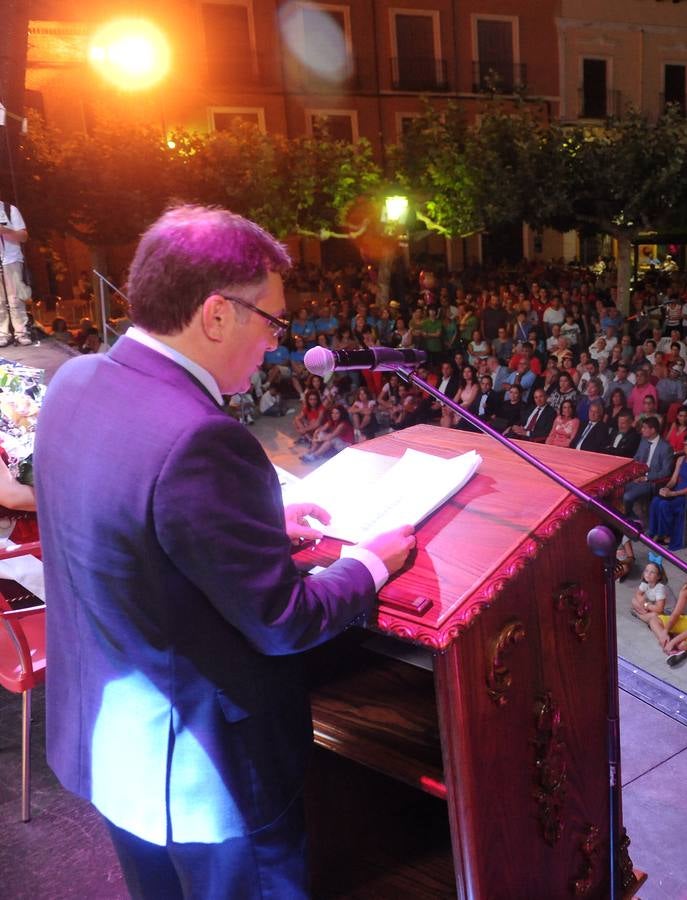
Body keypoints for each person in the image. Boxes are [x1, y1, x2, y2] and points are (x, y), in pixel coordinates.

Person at [34, 206, 417, 896]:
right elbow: (283, 621)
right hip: (207, 774)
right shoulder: (199, 438)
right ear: (216, 315)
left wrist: (254, 520)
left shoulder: (76, 381)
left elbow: (126, 523)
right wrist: (366, 564)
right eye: (272, 320)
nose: (275, 343)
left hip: (113, 749)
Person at [646, 436, 687, 551]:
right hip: (676, 491)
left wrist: (673, 494)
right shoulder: (680, 459)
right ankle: (656, 532)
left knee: (664, 505)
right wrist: (666, 489)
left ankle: (664, 534)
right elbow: (673, 480)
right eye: (686, 445)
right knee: (655, 501)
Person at [623, 415, 675, 517]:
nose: (642, 430)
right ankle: (631, 517)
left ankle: (629, 521)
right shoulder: (643, 441)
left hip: (651, 482)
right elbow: (636, 458)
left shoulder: (665, 447)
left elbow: (666, 471)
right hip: (637, 477)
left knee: (627, 497)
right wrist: (633, 473)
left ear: (653, 430)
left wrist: (646, 478)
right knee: (616, 490)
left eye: (644, 428)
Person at [0, 197, 32, 346]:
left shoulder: (9, 209)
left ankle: (21, 332)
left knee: (15, 299)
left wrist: (6, 230)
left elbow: (24, 237)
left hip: (11, 258)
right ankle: (2, 334)